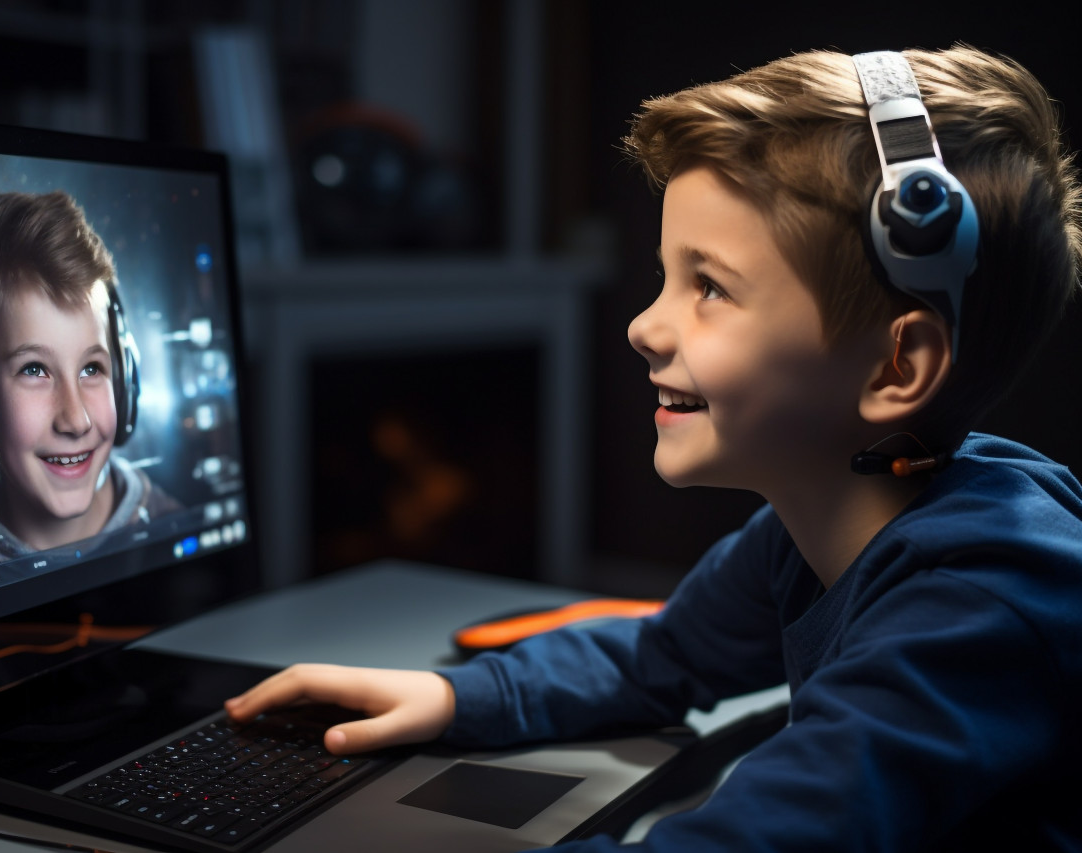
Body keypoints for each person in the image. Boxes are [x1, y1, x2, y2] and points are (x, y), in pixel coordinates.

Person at [225, 45, 1082, 851]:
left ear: (900, 366)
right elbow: (661, 655)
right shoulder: (810, 529)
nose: (642, 326)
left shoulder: (978, 610)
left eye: (710, 286)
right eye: (669, 276)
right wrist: (456, 695)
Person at [0, 191, 179, 578]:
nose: (75, 421)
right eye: (33, 370)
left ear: (124, 377)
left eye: (92, 369)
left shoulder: (171, 527)